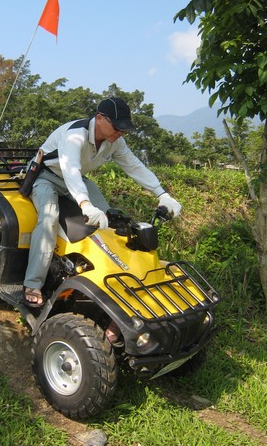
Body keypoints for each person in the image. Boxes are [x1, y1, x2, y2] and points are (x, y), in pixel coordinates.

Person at [23, 97, 182, 308]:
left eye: (124, 129)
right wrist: (85, 204)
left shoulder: (115, 141)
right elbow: (70, 170)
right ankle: (33, 283)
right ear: (100, 119)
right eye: (117, 127)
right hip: (47, 176)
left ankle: (115, 275)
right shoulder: (74, 135)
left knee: (110, 220)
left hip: (77, 179)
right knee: (49, 219)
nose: (120, 133)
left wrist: (162, 194)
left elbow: (134, 166)